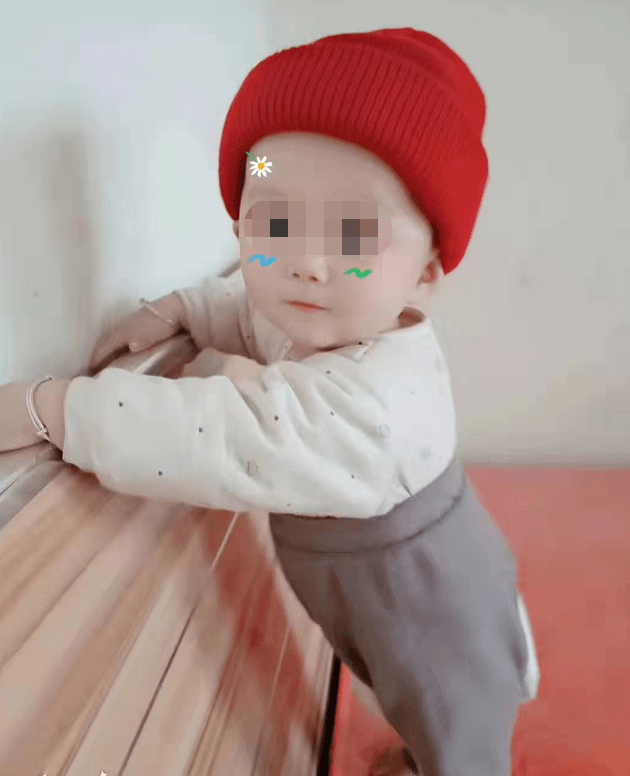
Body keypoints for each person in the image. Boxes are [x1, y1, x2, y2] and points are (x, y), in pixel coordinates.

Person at [0, 28, 540, 776]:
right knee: (413, 705)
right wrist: (184, 309)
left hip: (433, 608)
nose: (307, 263)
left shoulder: (370, 410)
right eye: (275, 223)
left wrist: (56, 410)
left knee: (454, 729)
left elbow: (217, 433)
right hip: (394, 581)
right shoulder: (336, 323)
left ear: (427, 272)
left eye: (354, 234)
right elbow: (253, 313)